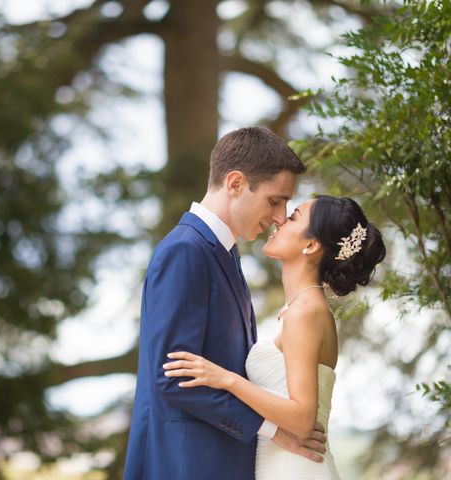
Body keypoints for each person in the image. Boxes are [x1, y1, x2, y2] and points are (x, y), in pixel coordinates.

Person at [123, 127, 328, 480]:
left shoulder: (224, 254)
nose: (280, 217)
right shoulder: (185, 251)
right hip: (187, 464)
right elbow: (172, 378)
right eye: (274, 200)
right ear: (235, 183)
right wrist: (274, 430)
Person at [163, 195, 386, 479]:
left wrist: (226, 379)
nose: (280, 220)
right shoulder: (302, 309)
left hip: (293, 468)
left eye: (293, 217)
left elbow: (303, 420)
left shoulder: (304, 313)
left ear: (311, 245)